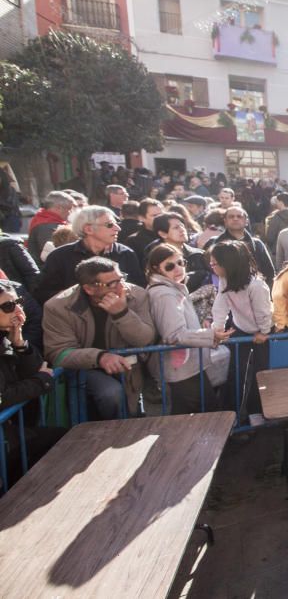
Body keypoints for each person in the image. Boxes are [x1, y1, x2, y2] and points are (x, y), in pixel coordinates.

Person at [43, 257, 156, 420]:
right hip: (83, 369)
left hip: (127, 368)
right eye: (111, 284)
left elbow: (145, 339)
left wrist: (121, 314)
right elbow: (58, 352)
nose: (121, 287)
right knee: (111, 393)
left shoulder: (137, 295)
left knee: (132, 411)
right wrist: (100, 357)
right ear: (89, 289)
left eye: (121, 278)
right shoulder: (58, 306)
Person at [146, 244, 232, 414]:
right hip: (182, 369)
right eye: (170, 266)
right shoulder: (164, 294)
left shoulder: (171, 288)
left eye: (181, 262)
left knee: (189, 416)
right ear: (156, 269)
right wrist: (210, 335)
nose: (178, 269)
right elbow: (174, 334)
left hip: (186, 367)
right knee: (205, 414)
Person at [0, 281, 63, 481]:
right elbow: (3, 396)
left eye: (18, 302)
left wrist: (19, 343)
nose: (18, 309)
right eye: (8, 307)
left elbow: (34, 369)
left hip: (13, 433)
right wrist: (41, 381)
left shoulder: (5, 336)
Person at [209, 241, 272, 420]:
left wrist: (264, 332)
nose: (211, 266)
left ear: (228, 264)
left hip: (262, 331)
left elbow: (263, 312)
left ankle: (258, 413)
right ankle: (235, 415)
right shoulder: (224, 279)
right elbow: (220, 305)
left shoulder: (257, 285)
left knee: (261, 374)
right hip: (240, 328)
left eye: (214, 263)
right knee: (237, 373)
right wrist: (217, 329)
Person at [33, 206, 146, 305]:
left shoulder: (125, 253)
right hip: (74, 322)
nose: (118, 228)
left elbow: (139, 290)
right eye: (110, 224)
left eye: (117, 223)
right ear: (88, 229)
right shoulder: (60, 256)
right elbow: (43, 294)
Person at [204, 206, 275, 286]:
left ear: (246, 221)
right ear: (225, 221)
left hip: (254, 291)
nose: (235, 219)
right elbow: (206, 268)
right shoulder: (214, 243)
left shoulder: (257, 244)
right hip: (223, 289)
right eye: (231, 216)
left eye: (239, 216)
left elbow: (269, 272)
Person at [27, 191, 73, 264]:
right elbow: (53, 253)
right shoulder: (46, 226)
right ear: (59, 208)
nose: (70, 212)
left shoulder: (42, 219)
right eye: (69, 209)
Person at [124, 199, 165, 266]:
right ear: (141, 218)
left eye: (161, 214)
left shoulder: (172, 233)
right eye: (155, 215)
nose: (160, 218)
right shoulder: (133, 241)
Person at [264, 192, 288, 257]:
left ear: (281, 202)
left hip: (279, 251)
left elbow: (270, 238)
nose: (276, 204)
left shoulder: (276, 217)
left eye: (277, 201)